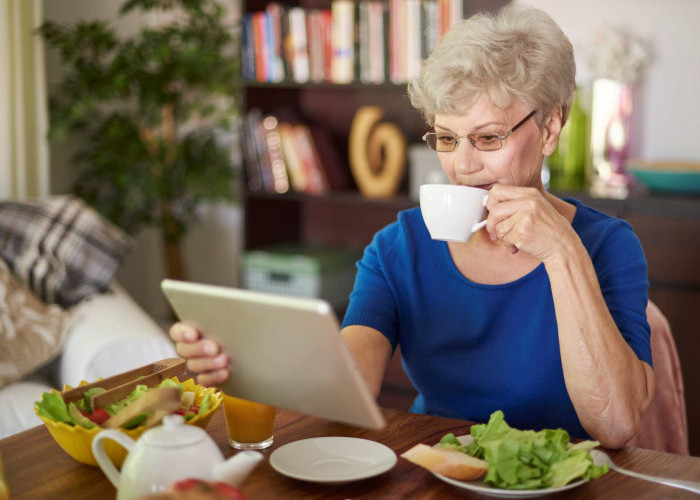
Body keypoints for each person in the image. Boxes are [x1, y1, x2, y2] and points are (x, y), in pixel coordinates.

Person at [170, 4, 654, 449]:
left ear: (549, 128)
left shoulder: (607, 245)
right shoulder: (399, 247)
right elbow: (349, 386)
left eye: (487, 138)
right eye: (446, 138)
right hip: (439, 472)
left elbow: (616, 425)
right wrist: (247, 365)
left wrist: (561, 252)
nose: (463, 166)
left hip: (563, 482)